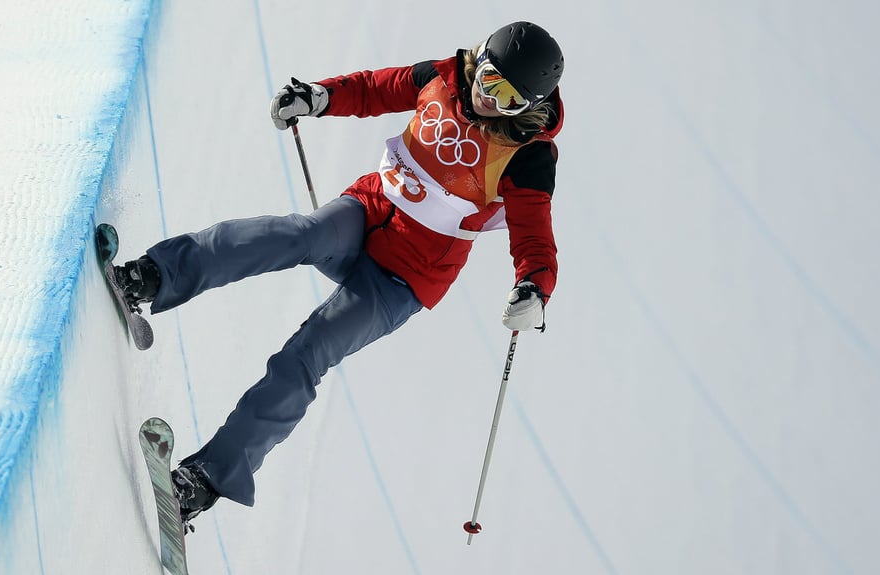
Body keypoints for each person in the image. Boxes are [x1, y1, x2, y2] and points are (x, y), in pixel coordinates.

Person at [113, 21, 565, 525]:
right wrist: (318, 97)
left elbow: (534, 237)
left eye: (505, 98)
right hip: (370, 209)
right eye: (487, 77)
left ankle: (207, 479)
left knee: (308, 353)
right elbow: (376, 88)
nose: (486, 96)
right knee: (299, 235)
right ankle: (153, 275)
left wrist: (534, 289)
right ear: (478, 59)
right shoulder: (445, 77)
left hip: (407, 275)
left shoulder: (529, 156)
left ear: (526, 107)